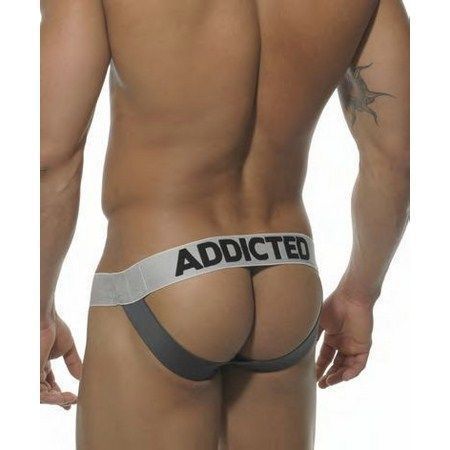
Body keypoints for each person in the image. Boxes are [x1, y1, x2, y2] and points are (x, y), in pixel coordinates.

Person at [40, 0, 409, 449]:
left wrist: (37, 311)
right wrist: (360, 293)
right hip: (286, 277)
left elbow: (53, 158)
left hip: (166, 278)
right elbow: (396, 161)